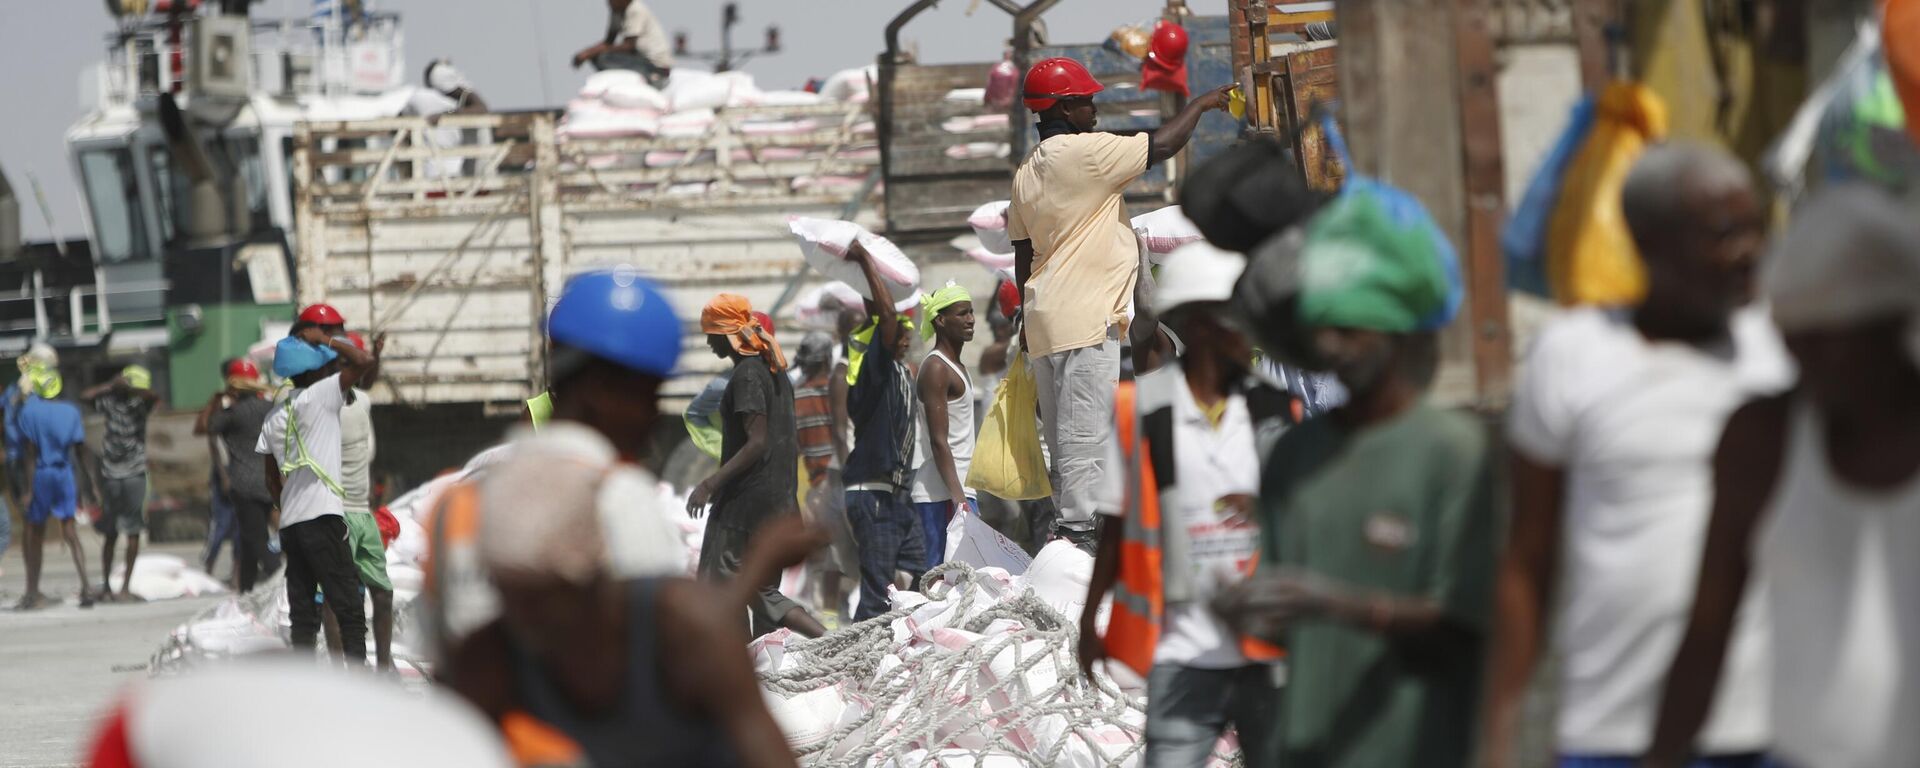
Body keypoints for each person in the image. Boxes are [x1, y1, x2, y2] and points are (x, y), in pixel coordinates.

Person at [1482, 144, 1787, 768]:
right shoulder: (1572, 355)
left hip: (1771, 727)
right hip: (1613, 730)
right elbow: (1529, 557)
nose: (1750, 251)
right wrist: (1501, 733)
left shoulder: (1788, 349)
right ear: (1649, 242)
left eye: (1756, 228)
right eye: (1725, 234)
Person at [1214, 184, 1492, 768]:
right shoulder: (1296, 456)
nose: (1330, 345)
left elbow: (1475, 631)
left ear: (1395, 331)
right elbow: (1295, 633)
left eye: (1350, 328)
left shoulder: (1455, 454)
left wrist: (1338, 604)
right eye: (1322, 326)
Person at [1646, 185, 1920, 768]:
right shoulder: (1762, 441)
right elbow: (1708, 629)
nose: (1807, 367)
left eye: (1830, 344)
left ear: (1895, 325)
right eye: (1795, 344)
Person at [442, 429, 809, 768]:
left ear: (590, 578)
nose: (521, 617)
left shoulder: (684, 629)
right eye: (507, 594)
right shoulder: (492, 658)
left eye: (539, 599)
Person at [422, 270, 714, 668]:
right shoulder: (620, 499)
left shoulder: (460, 499)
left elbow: (443, 654)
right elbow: (659, 660)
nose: (655, 417)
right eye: (647, 395)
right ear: (599, 390)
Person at [1008, 56, 1233, 547]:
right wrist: (1204, 102)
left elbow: (1023, 252)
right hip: (1085, 317)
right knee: (1086, 438)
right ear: (1065, 108)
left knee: (1064, 439)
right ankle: (1080, 537)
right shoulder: (1085, 154)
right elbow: (1165, 143)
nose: (1094, 109)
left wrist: (1025, 319)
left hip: (1044, 318)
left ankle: (1067, 536)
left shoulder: (1027, 171)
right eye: (1087, 101)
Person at [1080, 242, 1290, 768]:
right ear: (1197, 325)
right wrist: (1089, 623)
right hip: (1183, 650)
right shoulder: (1142, 409)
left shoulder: (1273, 406)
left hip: (1264, 649)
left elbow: (1302, 517)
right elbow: (1116, 521)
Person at [689, 294, 824, 639]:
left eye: (711, 334)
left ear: (728, 333)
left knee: (727, 587)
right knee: (760, 590)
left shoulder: (747, 375)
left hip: (745, 508)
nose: (707, 342)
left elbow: (757, 441)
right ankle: (765, 668)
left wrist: (710, 485)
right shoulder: (774, 372)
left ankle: (825, 639)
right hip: (778, 503)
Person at [257, 329, 376, 665]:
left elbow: (270, 479)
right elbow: (364, 361)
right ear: (314, 372)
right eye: (326, 367)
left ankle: (305, 686)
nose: (332, 371)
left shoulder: (273, 417)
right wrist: (328, 340)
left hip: (292, 527)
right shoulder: (322, 395)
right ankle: (361, 690)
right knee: (349, 608)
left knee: (304, 614)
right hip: (323, 519)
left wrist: (287, 507)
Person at [840, 240, 927, 622]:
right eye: (899, 332)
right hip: (872, 496)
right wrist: (865, 262)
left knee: (922, 572)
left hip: (896, 496)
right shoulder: (870, 374)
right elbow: (886, 317)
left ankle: (895, 644)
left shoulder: (899, 373)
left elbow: (888, 317)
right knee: (877, 593)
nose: (905, 336)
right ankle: (855, 666)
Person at [13, 368, 99, 610]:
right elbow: (81, 451)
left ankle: (32, 591)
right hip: (64, 474)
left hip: (41, 474)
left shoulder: (29, 411)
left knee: (35, 533)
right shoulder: (71, 411)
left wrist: (29, 490)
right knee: (70, 531)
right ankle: (86, 587)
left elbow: (30, 454)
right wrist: (91, 482)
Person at [337, 332, 396, 671]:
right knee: (340, 596)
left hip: (363, 512)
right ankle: (346, 669)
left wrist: (375, 354)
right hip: (336, 511)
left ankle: (384, 668)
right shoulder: (322, 403)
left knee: (382, 591)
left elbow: (369, 379)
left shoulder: (362, 401)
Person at [910, 282, 978, 569]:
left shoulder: (955, 366)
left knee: (967, 579)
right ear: (940, 320)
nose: (971, 320)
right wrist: (958, 498)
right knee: (942, 581)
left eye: (971, 312)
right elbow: (940, 441)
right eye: (962, 314)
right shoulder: (937, 368)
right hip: (942, 495)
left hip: (959, 488)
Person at [80, 365, 161, 603]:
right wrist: (110, 386)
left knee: (133, 530)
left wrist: (131, 389)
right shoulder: (109, 401)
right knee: (110, 532)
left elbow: (154, 397)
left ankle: (125, 586)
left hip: (134, 474)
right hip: (111, 475)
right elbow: (84, 397)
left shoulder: (140, 404)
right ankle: (107, 586)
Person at [794, 331, 857, 624]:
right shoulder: (841, 388)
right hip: (845, 479)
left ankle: (831, 614)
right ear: (827, 360)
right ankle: (837, 612)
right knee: (849, 550)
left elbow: (795, 446)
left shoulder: (796, 396)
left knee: (832, 553)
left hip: (818, 483)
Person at [204, 358, 278, 592]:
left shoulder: (232, 413)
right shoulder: (268, 409)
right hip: (269, 482)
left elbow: (209, 426)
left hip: (244, 485)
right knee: (248, 544)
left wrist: (220, 398)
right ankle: (245, 592)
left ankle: (281, 580)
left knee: (257, 542)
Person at [1, 343, 58, 580]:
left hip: (16, 460)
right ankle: (32, 588)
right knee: (32, 522)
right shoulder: (30, 391)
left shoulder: (14, 389)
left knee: (29, 521)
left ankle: (32, 585)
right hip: (29, 463)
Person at [195, 359, 242, 583]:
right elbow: (210, 437)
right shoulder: (220, 402)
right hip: (225, 469)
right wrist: (223, 474)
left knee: (241, 526)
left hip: (243, 470)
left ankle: (236, 574)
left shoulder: (246, 400)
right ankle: (208, 568)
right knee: (221, 524)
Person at [573, 0, 675, 86]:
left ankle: (651, 78)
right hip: (638, 59)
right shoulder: (617, 11)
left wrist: (591, 52)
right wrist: (586, 53)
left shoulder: (635, 10)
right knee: (597, 56)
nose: (609, 3)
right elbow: (608, 42)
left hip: (655, 65)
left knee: (603, 58)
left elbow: (629, 46)